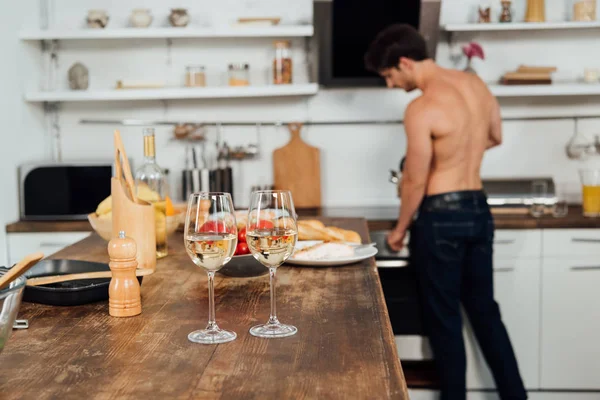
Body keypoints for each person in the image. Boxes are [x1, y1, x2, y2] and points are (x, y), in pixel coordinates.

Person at [365, 24, 527, 400]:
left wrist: (400, 229)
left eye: (389, 76)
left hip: (440, 219)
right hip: (477, 209)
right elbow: (495, 136)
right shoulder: (476, 86)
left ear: (405, 63)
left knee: (445, 322)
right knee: (486, 315)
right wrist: (459, 155)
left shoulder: (421, 107)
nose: (390, 85)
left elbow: (415, 181)